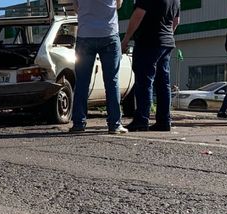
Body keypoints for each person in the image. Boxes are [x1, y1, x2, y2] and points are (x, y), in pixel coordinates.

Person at [121, 0, 180, 132]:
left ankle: (142, 120)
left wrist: (126, 39)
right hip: (166, 42)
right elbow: (176, 21)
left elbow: (138, 14)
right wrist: (166, 35)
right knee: (163, 84)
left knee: (144, 82)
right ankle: (164, 121)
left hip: (148, 42)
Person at [70, 0, 127, 134]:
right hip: (109, 33)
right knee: (112, 81)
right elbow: (118, 5)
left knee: (82, 82)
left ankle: (79, 123)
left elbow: (76, 8)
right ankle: (114, 124)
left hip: (85, 34)